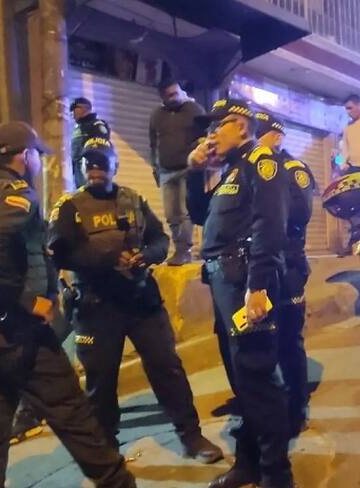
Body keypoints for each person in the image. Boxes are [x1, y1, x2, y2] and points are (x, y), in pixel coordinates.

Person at [0, 121, 135, 488]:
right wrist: (28, 300)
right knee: (75, 417)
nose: (38, 164)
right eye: (36, 157)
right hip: (13, 329)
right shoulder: (17, 195)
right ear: (25, 156)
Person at [47, 137, 223, 463]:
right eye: (89, 163)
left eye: (102, 162)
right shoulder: (69, 206)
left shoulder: (133, 199)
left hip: (141, 301)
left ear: (115, 165)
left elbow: (160, 240)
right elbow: (57, 255)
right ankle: (107, 453)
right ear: (81, 168)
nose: (96, 169)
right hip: (96, 306)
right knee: (101, 382)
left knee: (167, 368)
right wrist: (107, 259)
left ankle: (191, 436)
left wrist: (146, 256)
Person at [188, 99, 294, 488]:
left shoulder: (260, 163)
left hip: (246, 282)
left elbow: (270, 225)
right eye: (209, 128)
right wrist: (194, 172)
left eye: (218, 126)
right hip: (224, 285)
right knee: (242, 381)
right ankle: (248, 464)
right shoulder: (230, 171)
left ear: (242, 127)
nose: (211, 135)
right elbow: (198, 215)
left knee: (258, 378)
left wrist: (259, 287)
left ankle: (277, 476)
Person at [255, 111, 315, 435]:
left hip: (288, 264)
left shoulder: (293, 168)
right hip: (260, 266)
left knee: (290, 339)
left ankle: (297, 408)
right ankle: (272, 404)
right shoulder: (252, 167)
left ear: (276, 136)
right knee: (264, 339)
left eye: (261, 134)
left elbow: (301, 211)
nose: (255, 140)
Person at [149, 79, 205, 265]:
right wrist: (155, 167)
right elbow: (153, 144)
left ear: (181, 91)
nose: (173, 98)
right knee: (171, 214)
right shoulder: (157, 115)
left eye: (175, 93)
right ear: (162, 97)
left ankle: (184, 251)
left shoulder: (194, 110)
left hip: (187, 169)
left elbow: (205, 137)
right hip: (165, 171)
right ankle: (179, 248)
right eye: (169, 95)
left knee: (184, 212)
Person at [71, 97, 111, 189]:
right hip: (78, 171)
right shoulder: (78, 127)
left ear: (85, 108)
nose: (72, 112)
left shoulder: (96, 125)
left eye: (75, 108)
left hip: (91, 170)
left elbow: (101, 149)